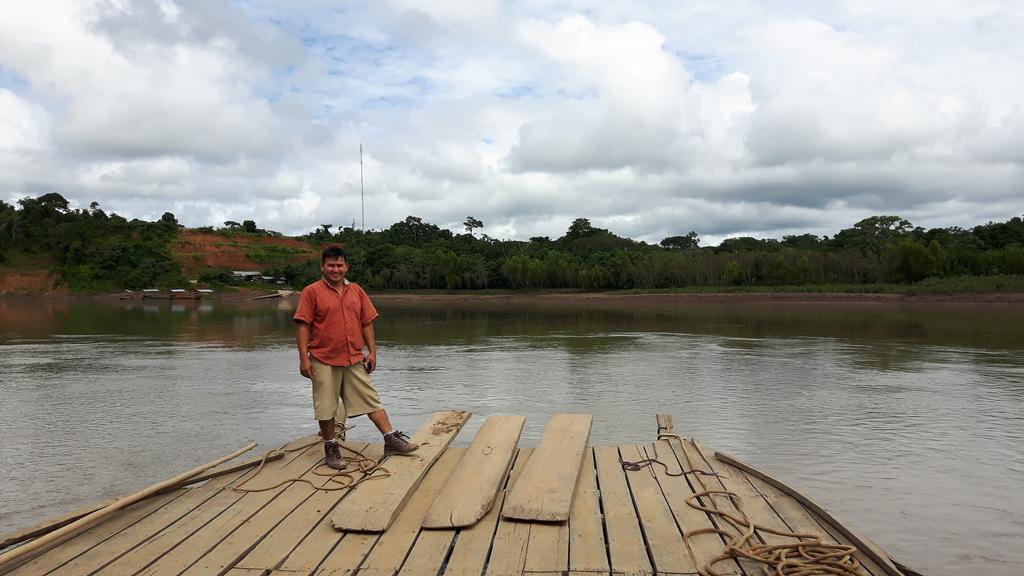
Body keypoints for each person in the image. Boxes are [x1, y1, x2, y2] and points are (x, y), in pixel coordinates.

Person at [294, 244, 418, 469]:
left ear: (346, 267)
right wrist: (303, 359)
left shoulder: (357, 291)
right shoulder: (311, 292)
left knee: (370, 399)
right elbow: (303, 327)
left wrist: (372, 351)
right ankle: (331, 447)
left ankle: (390, 439)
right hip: (322, 358)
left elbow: (366, 323)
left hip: (353, 357)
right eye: (330, 265)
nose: (335, 269)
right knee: (326, 406)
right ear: (322, 267)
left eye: (339, 265)